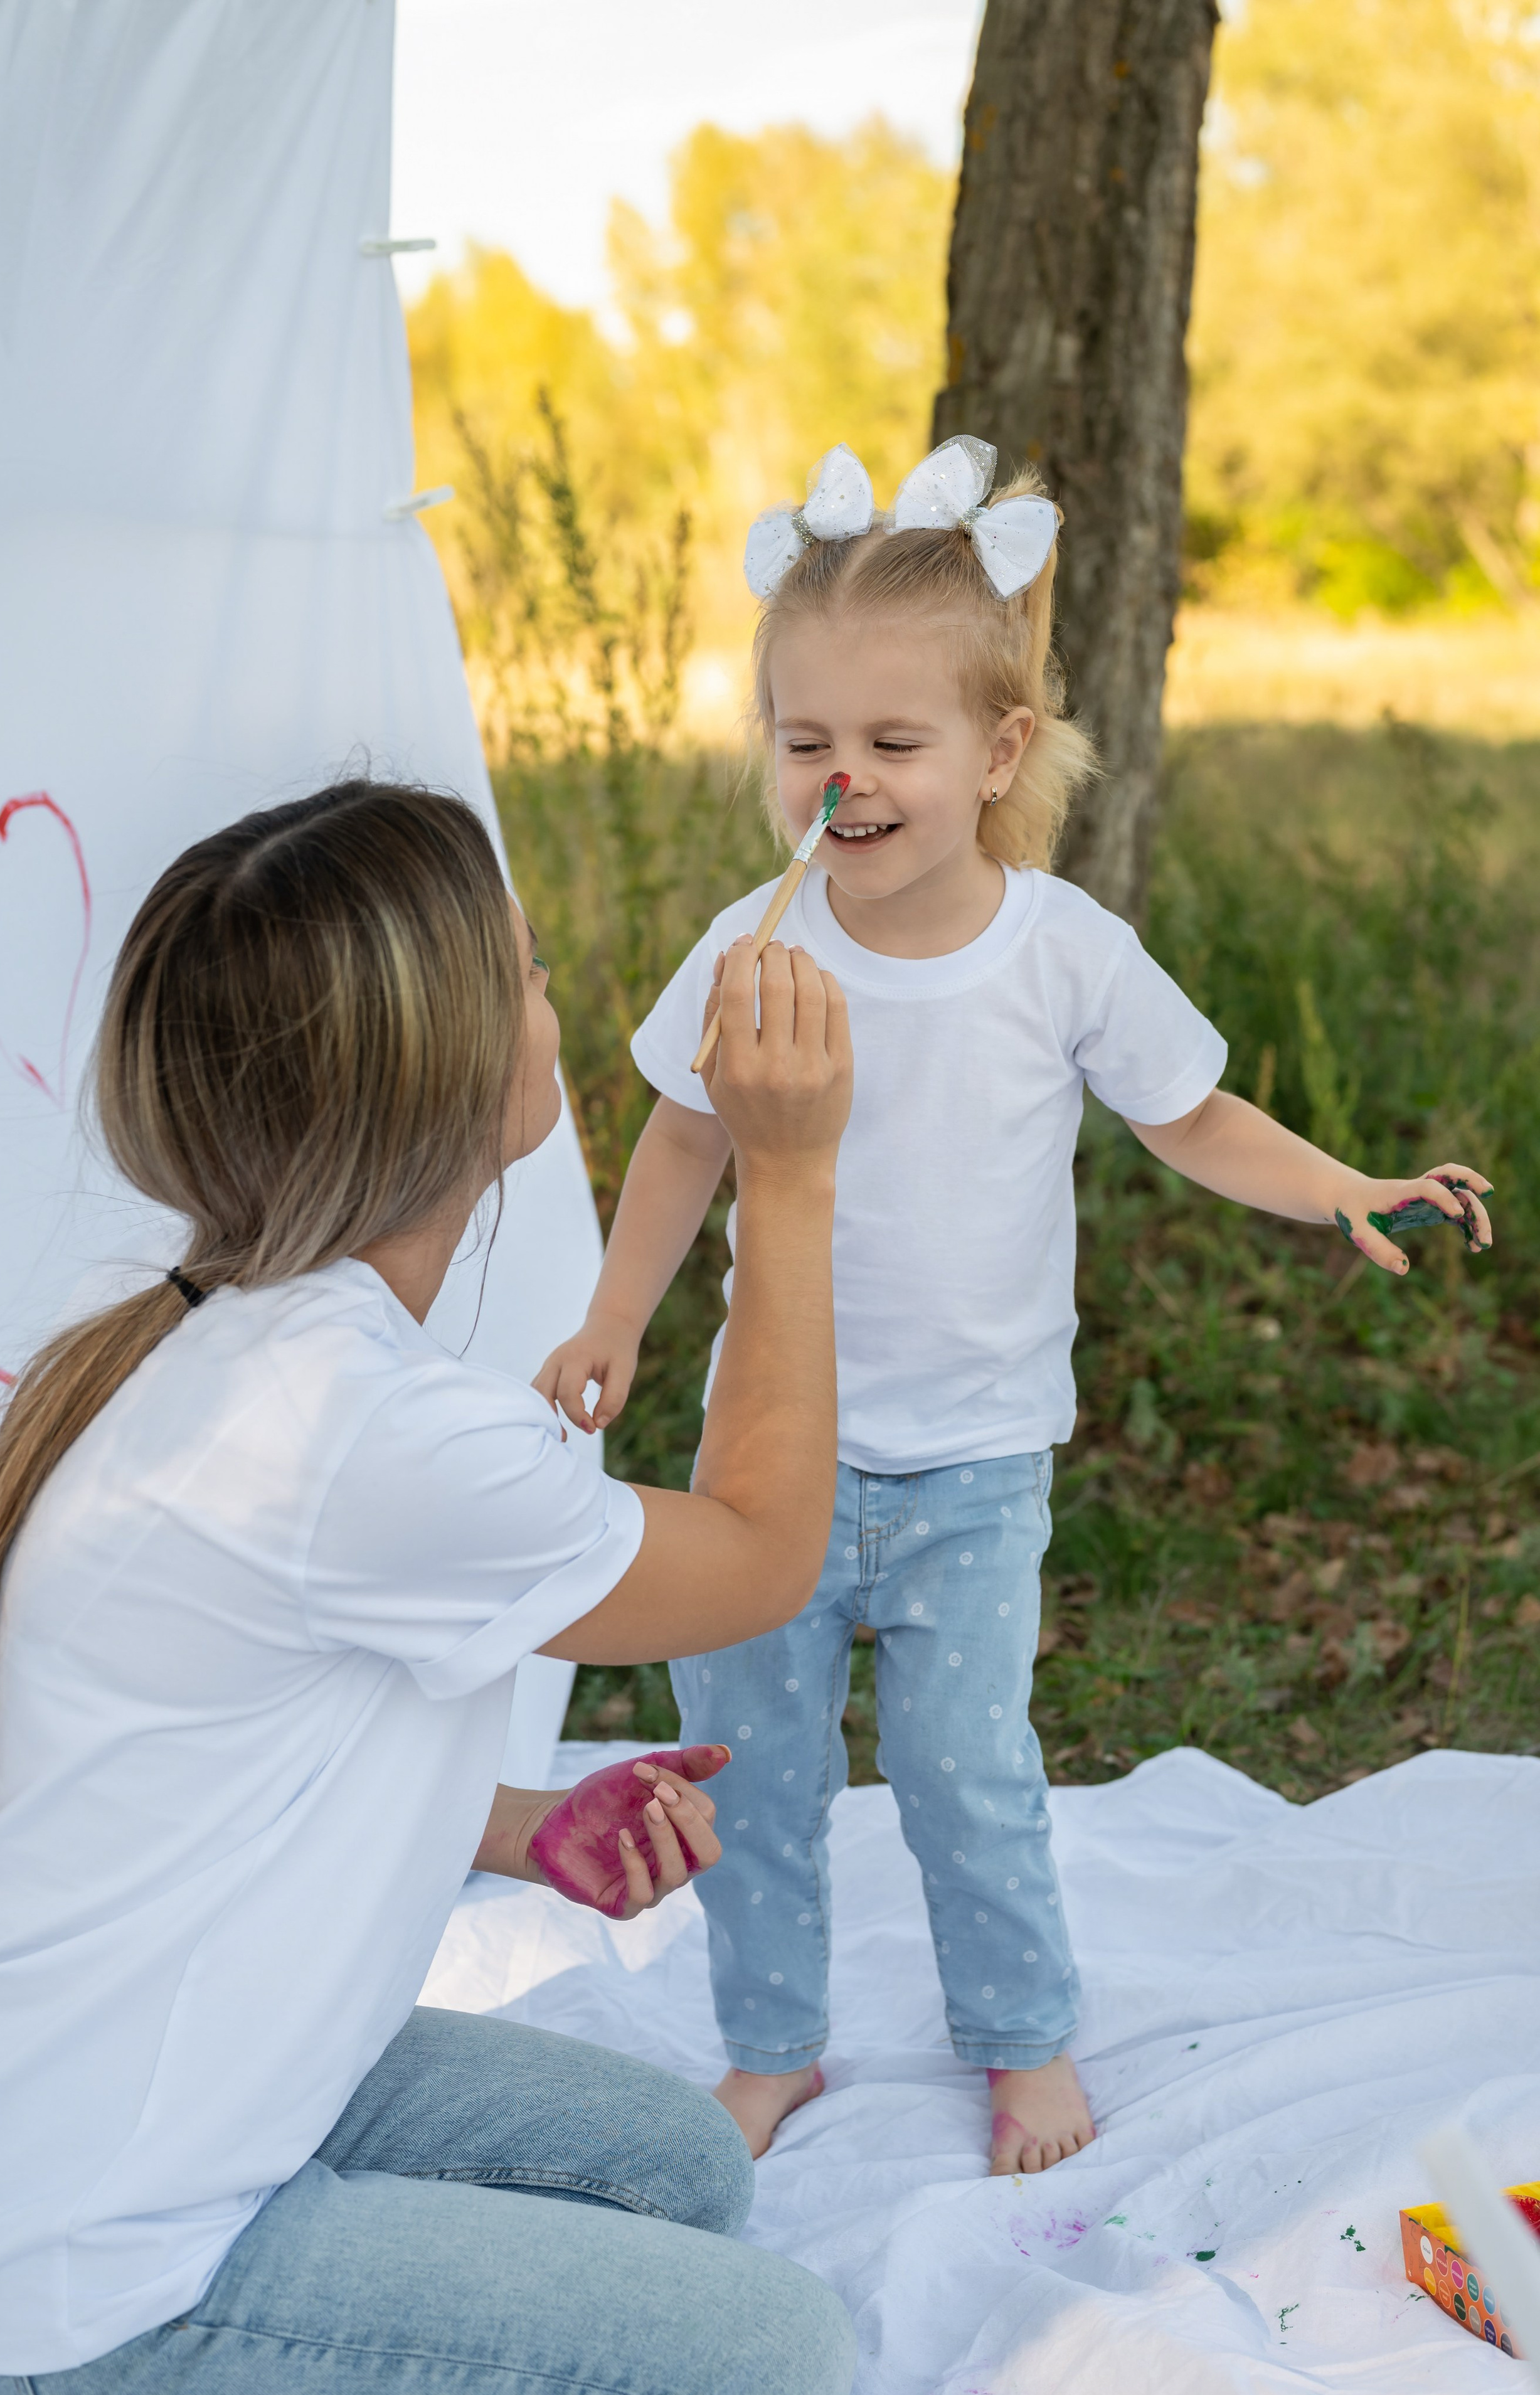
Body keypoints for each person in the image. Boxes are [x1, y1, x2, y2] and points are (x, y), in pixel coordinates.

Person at [536, 436, 1496, 2177]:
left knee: (970, 1774)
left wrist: (1342, 1183)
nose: (846, 780)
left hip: (975, 1469)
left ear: (997, 750)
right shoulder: (753, 952)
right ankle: (771, 2043)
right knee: (751, 1769)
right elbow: (681, 1143)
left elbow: (1191, 1114)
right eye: (806, 742)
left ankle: (1021, 2032)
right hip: (766, 1469)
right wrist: (614, 1318)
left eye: (893, 744)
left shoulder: (1060, 951)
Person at [0, 781, 857, 2395]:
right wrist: (786, 1176)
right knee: (778, 2358)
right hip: (80, 2271)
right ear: (442, 1077)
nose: (550, 997)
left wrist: (512, 1827)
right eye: (529, 972)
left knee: (677, 2171)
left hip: (116, 2094)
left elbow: (216, 1748)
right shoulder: (364, 1432)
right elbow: (767, 1552)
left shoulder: (201, 1329)